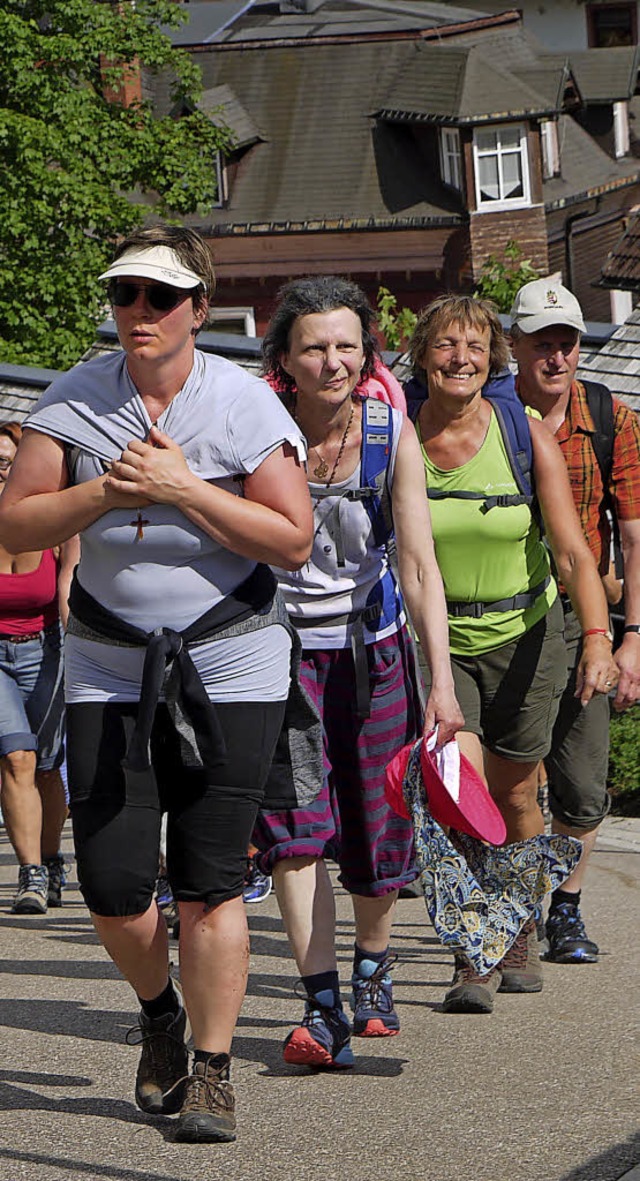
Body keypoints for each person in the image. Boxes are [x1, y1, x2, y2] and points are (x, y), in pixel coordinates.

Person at [0, 225, 314, 1144]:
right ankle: (160, 1013)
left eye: (159, 296)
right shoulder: (75, 399)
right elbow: (14, 517)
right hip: (106, 659)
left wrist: (184, 488)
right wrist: (103, 495)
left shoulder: (245, 404)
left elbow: (290, 539)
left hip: (231, 661)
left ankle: (212, 1070)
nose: (139, 312)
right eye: (125, 294)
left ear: (197, 308)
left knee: (210, 879)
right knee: (108, 880)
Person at [253, 275, 463, 1069]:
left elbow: (416, 563)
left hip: (372, 652)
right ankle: (322, 1003)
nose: (333, 361)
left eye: (347, 345)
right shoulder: (258, 432)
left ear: (366, 351)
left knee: (379, 830)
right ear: (285, 358)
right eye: (315, 346)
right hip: (280, 657)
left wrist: (438, 679)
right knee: (295, 831)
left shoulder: (390, 432)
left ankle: (373, 967)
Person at [406, 294, 618, 1012]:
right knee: (458, 796)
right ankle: (476, 948)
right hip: (441, 641)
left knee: (519, 794)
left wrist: (597, 638)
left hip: (526, 635)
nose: (460, 358)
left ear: (492, 358)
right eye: (445, 345)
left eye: (473, 345)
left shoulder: (522, 434)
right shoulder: (399, 435)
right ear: (422, 356)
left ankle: (521, 920)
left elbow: (573, 551)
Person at [509, 277, 640, 962]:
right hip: (504, 610)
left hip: (581, 609)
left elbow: (635, 535)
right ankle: (514, 905)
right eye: (543, 344)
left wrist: (632, 636)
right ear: (516, 345)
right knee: (510, 769)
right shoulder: (489, 416)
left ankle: (566, 907)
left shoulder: (610, 418)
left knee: (583, 778)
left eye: (567, 344)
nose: (557, 357)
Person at [0, 421, 77, 915]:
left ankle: (50, 860)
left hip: (47, 648)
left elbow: (68, 586)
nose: (2, 472)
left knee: (48, 768)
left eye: (9, 462)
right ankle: (28, 871)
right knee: (17, 758)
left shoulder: (56, 523)